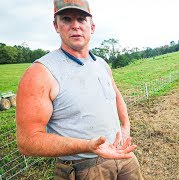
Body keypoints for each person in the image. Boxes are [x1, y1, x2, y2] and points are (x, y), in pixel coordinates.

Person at [15, 0, 143, 179]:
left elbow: (114, 95)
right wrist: (88, 145)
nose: (75, 25)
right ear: (56, 26)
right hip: (83, 168)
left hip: (124, 157)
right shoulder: (40, 73)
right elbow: (27, 141)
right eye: (66, 19)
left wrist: (125, 126)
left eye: (81, 19)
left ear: (92, 26)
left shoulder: (101, 64)